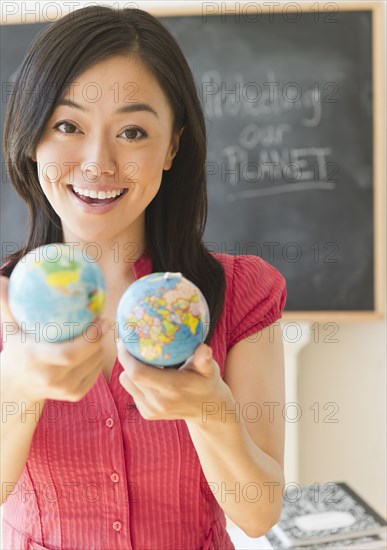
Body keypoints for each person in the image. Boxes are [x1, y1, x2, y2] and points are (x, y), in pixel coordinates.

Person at [0, 6, 287, 549]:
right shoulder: (3, 303)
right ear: (32, 137)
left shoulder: (243, 292)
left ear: (172, 146)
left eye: (132, 131)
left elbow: (258, 515)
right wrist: (15, 386)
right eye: (67, 126)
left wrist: (211, 411)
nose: (97, 161)